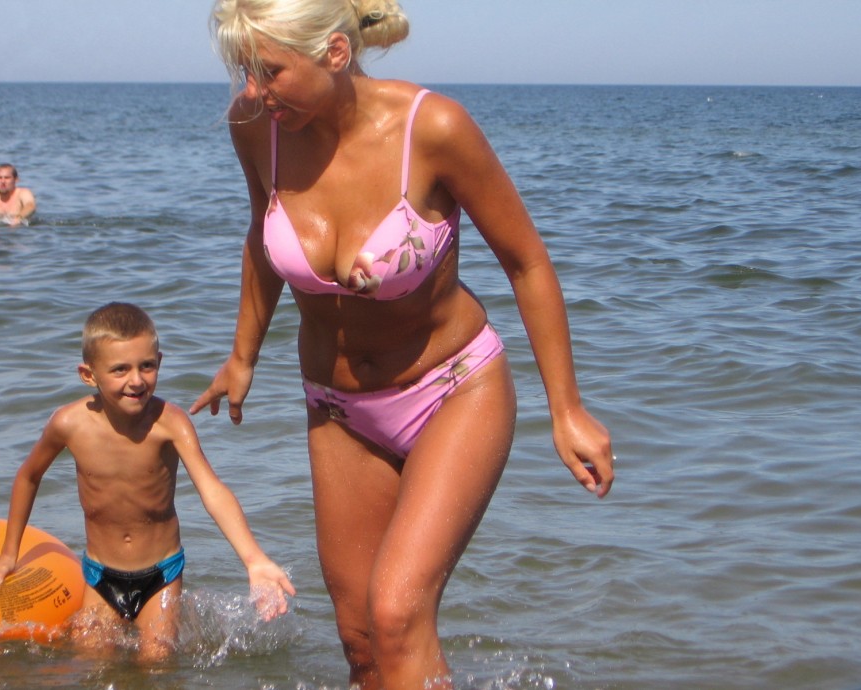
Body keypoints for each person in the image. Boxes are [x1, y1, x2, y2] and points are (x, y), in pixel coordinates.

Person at [192, 0, 614, 686]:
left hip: (453, 390)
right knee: (360, 638)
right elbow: (260, 236)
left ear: (334, 52)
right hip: (337, 409)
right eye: (245, 71)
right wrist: (243, 357)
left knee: (396, 614)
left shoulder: (434, 128)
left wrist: (566, 409)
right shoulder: (256, 127)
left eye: (270, 71)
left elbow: (527, 262)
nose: (253, 91)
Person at [0, 302, 296, 661]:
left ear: (160, 361)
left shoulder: (170, 424)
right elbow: (28, 476)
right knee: (91, 662)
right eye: (120, 369)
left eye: (147, 366)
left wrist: (254, 559)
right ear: (88, 374)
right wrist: (8, 553)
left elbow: (211, 489)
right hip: (99, 574)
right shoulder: (69, 424)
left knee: (156, 662)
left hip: (161, 573)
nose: (136, 380)